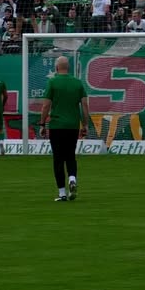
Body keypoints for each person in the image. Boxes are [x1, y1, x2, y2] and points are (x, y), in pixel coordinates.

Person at [39, 55, 89, 202]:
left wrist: (42, 124)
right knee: (70, 155)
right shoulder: (77, 83)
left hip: (57, 126)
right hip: (72, 125)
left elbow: (46, 105)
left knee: (58, 158)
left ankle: (62, 193)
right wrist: (85, 124)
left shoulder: (52, 82)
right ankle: (72, 178)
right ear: (68, 68)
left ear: (56, 68)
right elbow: (84, 106)